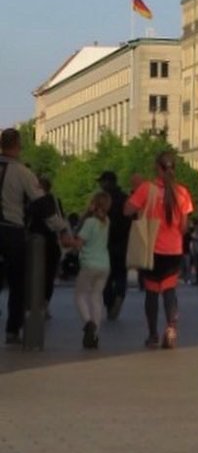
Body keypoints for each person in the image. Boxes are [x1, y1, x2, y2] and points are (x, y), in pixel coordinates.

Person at [125, 149, 193, 349]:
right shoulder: (182, 192)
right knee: (170, 290)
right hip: (174, 250)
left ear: (157, 167)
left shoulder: (147, 189)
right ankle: (171, 329)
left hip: (152, 249)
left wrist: (137, 194)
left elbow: (127, 209)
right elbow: (184, 227)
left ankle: (153, 334)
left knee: (152, 293)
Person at [0, 127, 61, 346]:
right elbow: (41, 203)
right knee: (18, 281)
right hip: (12, 229)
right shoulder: (22, 172)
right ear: (18, 145)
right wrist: (59, 227)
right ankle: (12, 329)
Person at [71, 190, 111, 349]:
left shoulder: (90, 222)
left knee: (80, 295)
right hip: (104, 265)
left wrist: (69, 241)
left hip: (89, 264)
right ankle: (95, 334)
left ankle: (88, 323)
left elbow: (79, 244)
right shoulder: (106, 221)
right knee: (96, 298)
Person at [28, 176, 67, 318]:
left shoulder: (32, 200)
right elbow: (60, 219)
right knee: (48, 275)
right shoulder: (53, 200)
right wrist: (63, 232)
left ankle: (34, 303)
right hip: (50, 241)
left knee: (33, 274)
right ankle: (44, 304)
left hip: (34, 239)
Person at [97, 171, 130, 320]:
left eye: (101, 182)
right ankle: (120, 295)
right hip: (123, 243)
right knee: (121, 273)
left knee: (106, 277)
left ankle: (110, 304)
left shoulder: (103, 199)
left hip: (105, 242)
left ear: (107, 182)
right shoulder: (125, 198)